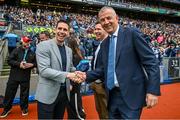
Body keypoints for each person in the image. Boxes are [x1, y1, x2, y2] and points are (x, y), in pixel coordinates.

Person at [74, 6, 160, 119]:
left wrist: (153, 90)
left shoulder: (131, 34)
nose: (106, 22)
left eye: (109, 18)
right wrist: (86, 75)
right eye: (102, 20)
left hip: (131, 96)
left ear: (117, 18)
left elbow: (151, 62)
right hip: (111, 96)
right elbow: (104, 69)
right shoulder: (104, 44)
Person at [35, 19, 79, 119]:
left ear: (68, 33)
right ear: (55, 30)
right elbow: (44, 70)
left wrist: (78, 73)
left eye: (65, 29)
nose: (62, 32)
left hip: (63, 94)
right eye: (59, 28)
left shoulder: (68, 50)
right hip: (47, 95)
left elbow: (70, 68)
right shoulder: (43, 45)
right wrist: (68, 75)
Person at [0, 36, 36, 118]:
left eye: (29, 41)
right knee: (9, 93)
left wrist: (32, 65)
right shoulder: (16, 50)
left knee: (24, 94)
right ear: (22, 42)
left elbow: (36, 63)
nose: (28, 43)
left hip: (25, 76)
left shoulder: (32, 53)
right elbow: (9, 61)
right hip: (14, 76)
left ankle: (24, 108)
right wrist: (19, 64)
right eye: (26, 41)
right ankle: (7, 108)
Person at [89, 22, 108, 119]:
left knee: (106, 114)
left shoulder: (109, 44)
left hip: (104, 86)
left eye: (99, 29)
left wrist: (87, 76)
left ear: (105, 29)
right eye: (95, 29)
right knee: (100, 111)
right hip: (96, 84)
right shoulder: (98, 44)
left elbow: (106, 68)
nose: (96, 31)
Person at [65, 35, 86, 119]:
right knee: (70, 106)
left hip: (73, 85)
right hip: (69, 83)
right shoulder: (73, 55)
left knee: (76, 106)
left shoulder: (76, 57)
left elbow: (77, 72)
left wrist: (71, 84)